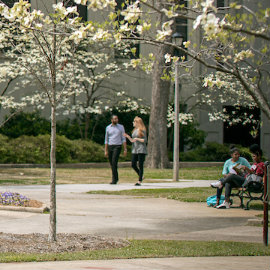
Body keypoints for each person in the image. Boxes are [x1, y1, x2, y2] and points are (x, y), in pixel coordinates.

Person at [215, 144, 265, 209]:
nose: (253, 158)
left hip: (251, 182)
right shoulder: (255, 164)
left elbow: (255, 175)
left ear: (259, 156)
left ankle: (221, 183)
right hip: (246, 179)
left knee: (232, 176)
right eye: (252, 156)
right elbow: (250, 173)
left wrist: (246, 168)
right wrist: (241, 171)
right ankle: (226, 202)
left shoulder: (261, 165)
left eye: (254, 156)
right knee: (228, 182)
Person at [124, 116, 147, 186]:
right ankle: (141, 175)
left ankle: (139, 181)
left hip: (141, 149)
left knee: (140, 165)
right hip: (135, 149)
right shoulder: (134, 130)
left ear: (138, 122)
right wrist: (128, 137)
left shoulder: (142, 130)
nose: (133, 123)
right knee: (133, 164)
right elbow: (132, 140)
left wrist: (137, 138)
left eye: (134, 121)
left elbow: (144, 140)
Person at [104, 115, 127, 184]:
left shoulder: (121, 127)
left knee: (114, 162)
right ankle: (115, 177)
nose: (116, 120)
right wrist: (105, 150)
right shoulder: (108, 128)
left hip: (117, 146)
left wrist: (125, 149)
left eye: (117, 119)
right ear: (111, 120)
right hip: (110, 146)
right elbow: (106, 140)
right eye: (114, 119)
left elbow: (123, 138)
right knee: (111, 163)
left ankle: (114, 179)